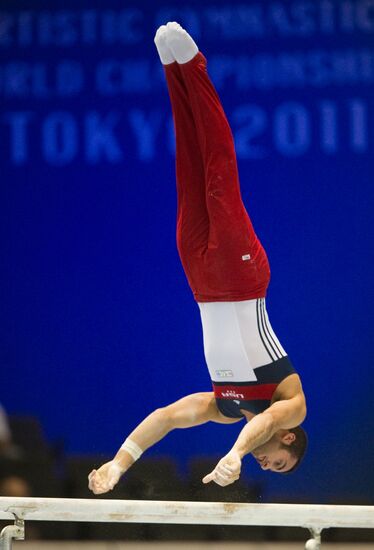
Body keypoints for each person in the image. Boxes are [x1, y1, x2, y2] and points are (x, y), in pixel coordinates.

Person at [88, 22, 307, 495]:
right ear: (288, 438)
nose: (269, 466)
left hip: (201, 282)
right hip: (242, 277)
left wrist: (118, 464)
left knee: (187, 170)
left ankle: (172, 69)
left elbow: (167, 418)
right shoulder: (290, 403)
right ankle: (195, 67)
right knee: (218, 173)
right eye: (279, 464)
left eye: (270, 469)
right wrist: (235, 455)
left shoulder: (225, 407)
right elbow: (260, 427)